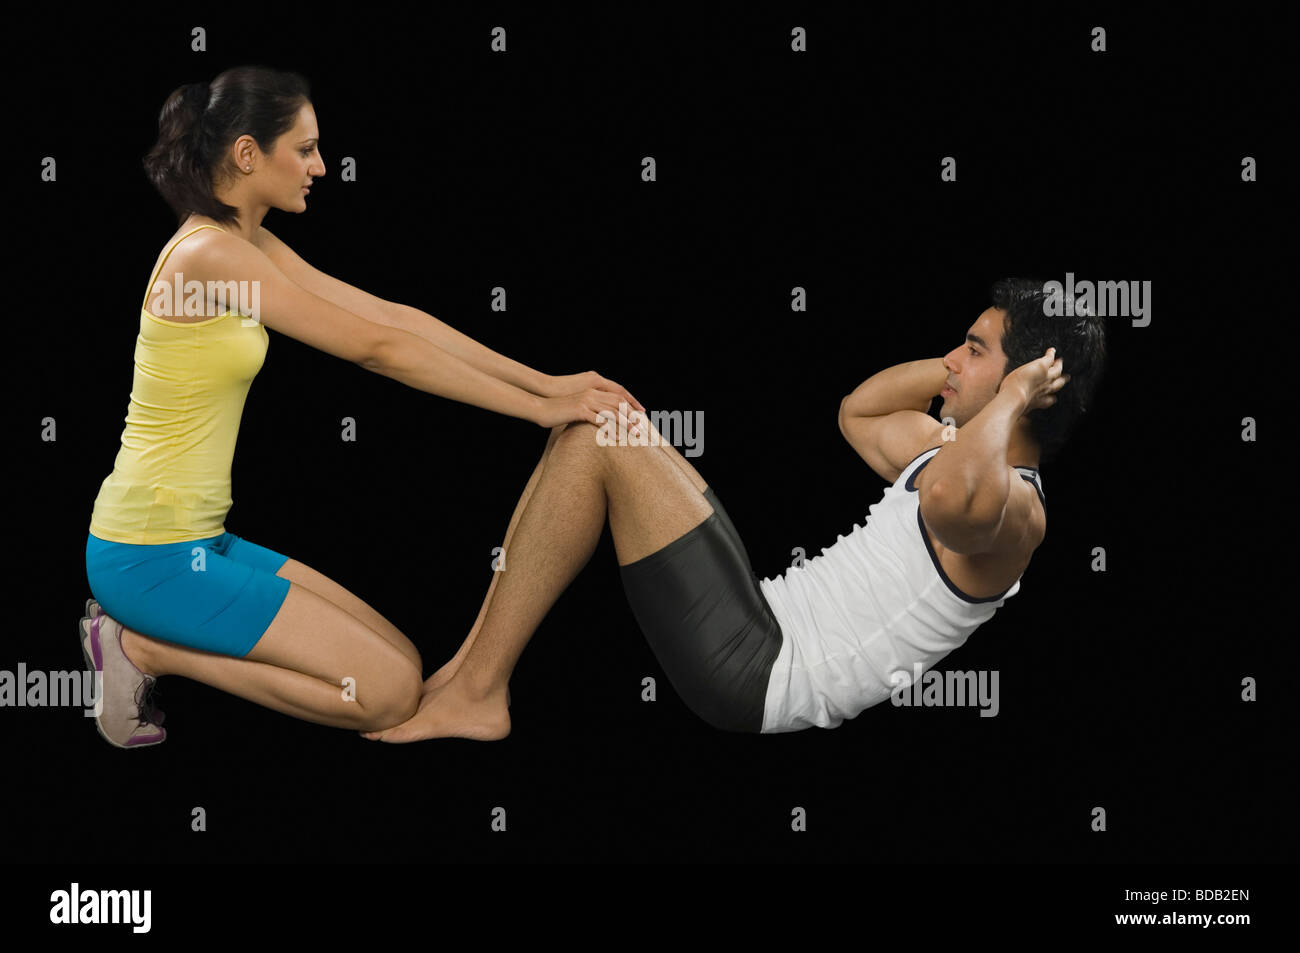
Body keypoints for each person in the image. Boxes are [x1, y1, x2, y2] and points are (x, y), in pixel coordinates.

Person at [81, 64, 645, 748]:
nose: (321, 165)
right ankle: (142, 648)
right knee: (384, 695)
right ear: (248, 153)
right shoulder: (207, 256)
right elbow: (377, 348)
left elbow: (390, 316)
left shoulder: (242, 243)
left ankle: (141, 637)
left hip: (201, 542)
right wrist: (533, 409)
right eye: (306, 148)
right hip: (147, 555)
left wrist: (549, 383)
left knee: (403, 666)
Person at [362, 278, 1108, 741]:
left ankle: (480, 690)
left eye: (975, 347)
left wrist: (1007, 396)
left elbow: (950, 501)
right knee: (590, 428)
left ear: (1034, 386)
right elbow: (857, 412)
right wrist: (963, 372)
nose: (953, 356)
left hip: (763, 673)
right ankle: (473, 669)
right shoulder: (942, 448)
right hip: (758, 614)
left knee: (601, 438)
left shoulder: (1018, 514)